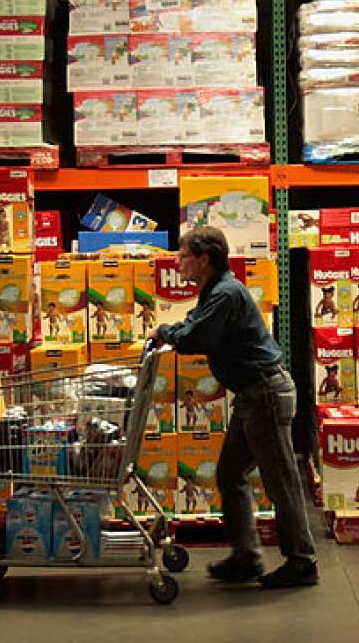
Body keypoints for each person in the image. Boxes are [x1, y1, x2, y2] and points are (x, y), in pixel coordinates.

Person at [153, 226, 318, 589]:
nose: (178, 264)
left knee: (282, 480)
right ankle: (246, 556)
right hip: (252, 396)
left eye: (184, 257)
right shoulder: (216, 291)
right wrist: (172, 329)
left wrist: (166, 332)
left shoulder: (226, 293)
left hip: (264, 395)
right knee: (230, 474)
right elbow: (195, 324)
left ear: (204, 259)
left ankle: (302, 560)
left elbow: (197, 337)